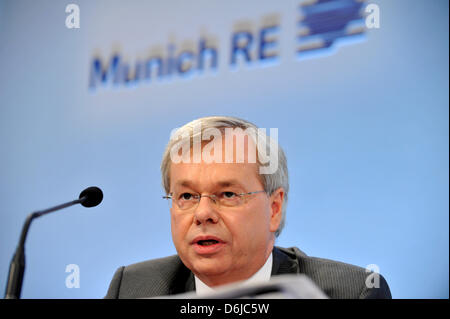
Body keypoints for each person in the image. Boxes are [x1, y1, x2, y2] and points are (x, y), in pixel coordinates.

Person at [105, 116, 391, 299]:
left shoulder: (350, 293)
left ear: (275, 209)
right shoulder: (132, 289)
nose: (202, 214)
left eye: (228, 194)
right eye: (188, 196)